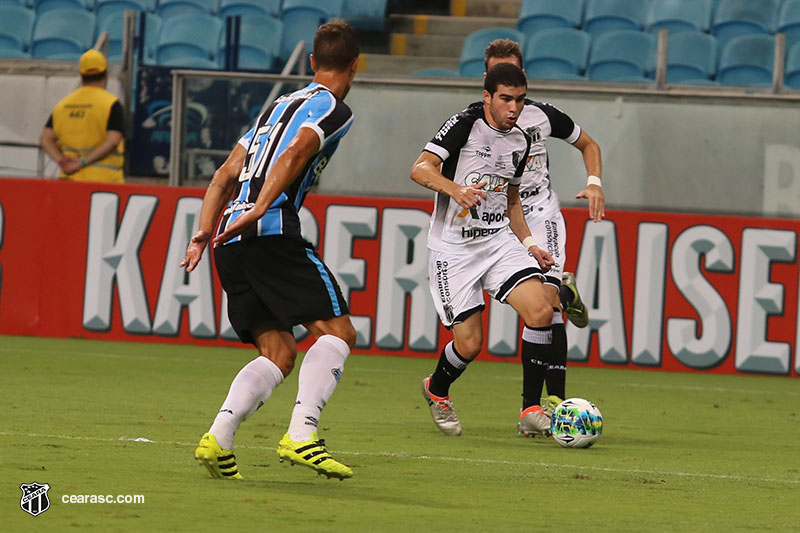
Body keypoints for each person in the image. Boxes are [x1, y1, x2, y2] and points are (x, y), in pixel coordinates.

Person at [180, 22, 360, 480]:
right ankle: (302, 433)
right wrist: (262, 206)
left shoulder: (276, 106)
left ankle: (219, 436)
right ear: (356, 66)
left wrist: (203, 230)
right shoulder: (335, 109)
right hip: (269, 232)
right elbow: (298, 150)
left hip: (228, 240)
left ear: (312, 62)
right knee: (338, 331)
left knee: (277, 349)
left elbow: (224, 173)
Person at [412, 62, 557, 437]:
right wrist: (453, 188)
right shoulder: (464, 125)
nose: (514, 108)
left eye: (520, 100)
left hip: (497, 241)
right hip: (454, 250)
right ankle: (437, 388)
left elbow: (512, 203)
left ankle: (530, 407)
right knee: (471, 344)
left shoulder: (522, 140)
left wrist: (530, 245)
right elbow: (420, 169)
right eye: (506, 99)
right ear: (487, 97)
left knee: (541, 309)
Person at [483, 39, 605, 437]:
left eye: (512, 73)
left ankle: (537, 408)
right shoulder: (472, 124)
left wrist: (594, 182)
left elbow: (589, 144)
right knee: (544, 309)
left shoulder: (542, 116)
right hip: (497, 221)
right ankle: (546, 403)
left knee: (545, 306)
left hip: (540, 214)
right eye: (496, 74)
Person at [40, 49, 125, 183]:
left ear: (81, 75)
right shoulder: (111, 104)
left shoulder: (63, 105)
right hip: (105, 183)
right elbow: (113, 141)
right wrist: (82, 162)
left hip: (69, 181)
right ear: (106, 73)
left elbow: (46, 138)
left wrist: (62, 161)